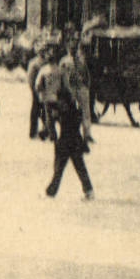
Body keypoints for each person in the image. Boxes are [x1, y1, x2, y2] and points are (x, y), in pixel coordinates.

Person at [43, 56, 93, 199]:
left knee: (61, 161)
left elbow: (57, 107)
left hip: (67, 130)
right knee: (74, 162)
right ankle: (86, 189)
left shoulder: (63, 89)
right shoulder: (68, 89)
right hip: (71, 130)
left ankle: (52, 190)